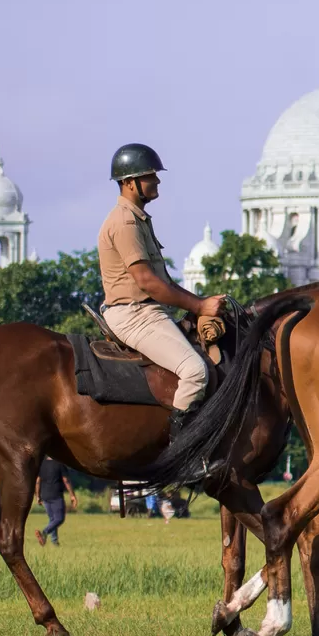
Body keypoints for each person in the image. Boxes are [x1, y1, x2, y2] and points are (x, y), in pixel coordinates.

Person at [98, 144, 226, 439]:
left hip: (149, 312)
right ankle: (179, 454)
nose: (157, 181)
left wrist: (202, 302)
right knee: (195, 372)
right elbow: (148, 283)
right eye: (149, 176)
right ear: (130, 183)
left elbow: (165, 282)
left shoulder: (139, 218)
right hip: (135, 315)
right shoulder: (125, 222)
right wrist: (200, 307)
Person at [33, 458, 78, 547]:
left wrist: (38, 495)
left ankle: (54, 542)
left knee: (52, 520)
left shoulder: (42, 464)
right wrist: (72, 494)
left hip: (45, 496)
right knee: (59, 519)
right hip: (56, 495)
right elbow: (66, 480)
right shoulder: (60, 464)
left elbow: (38, 481)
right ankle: (45, 532)